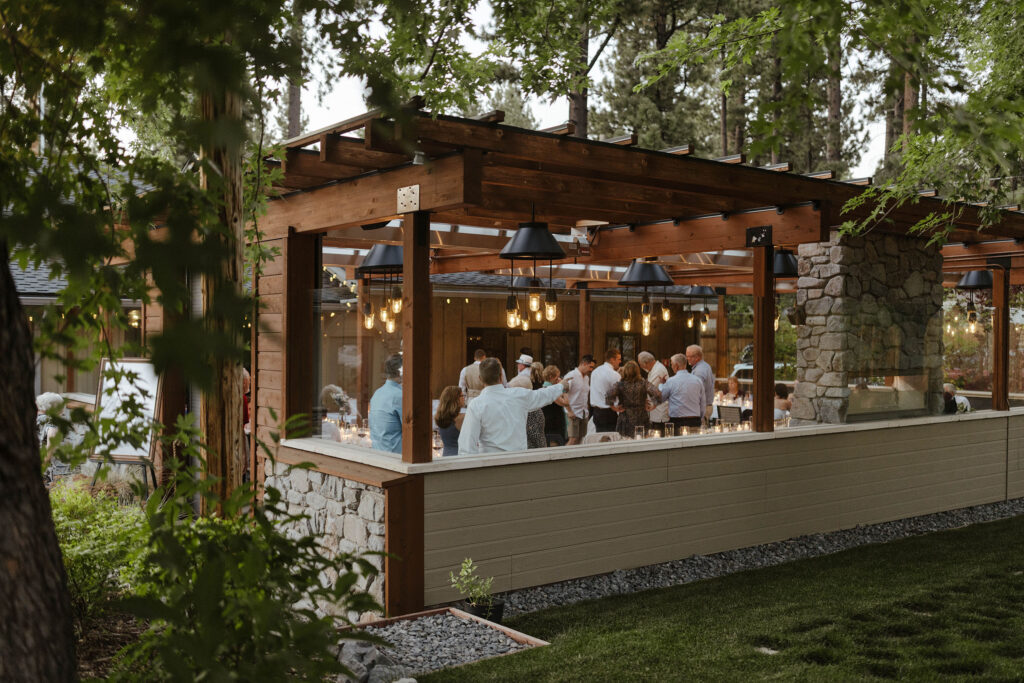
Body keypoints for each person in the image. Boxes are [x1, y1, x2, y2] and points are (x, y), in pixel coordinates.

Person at [458, 358, 568, 454]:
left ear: (480, 378)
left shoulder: (476, 405)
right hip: (518, 460)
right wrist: (560, 386)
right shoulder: (519, 395)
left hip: (490, 462)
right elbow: (543, 395)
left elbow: (467, 445)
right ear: (501, 376)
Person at [606, 360, 661, 438]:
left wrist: (615, 408)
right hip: (641, 417)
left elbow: (608, 395)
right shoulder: (643, 383)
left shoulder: (620, 384)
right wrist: (652, 407)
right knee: (641, 442)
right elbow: (657, 394)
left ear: (625, 371)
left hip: (625, 419)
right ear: (637, 371)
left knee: (625, 442)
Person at [659, 353, 707, 429]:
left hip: (677, 422)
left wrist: (661, 385)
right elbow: (703, 403)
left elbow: (661, 398)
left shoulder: (671, 381)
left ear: (676, 366)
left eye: (672, 365)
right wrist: (700, 416)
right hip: (695, 420)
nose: (671, 367)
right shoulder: (697, 380)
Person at [369, 354, 403, 453]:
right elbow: (412, 431)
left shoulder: (377, 393)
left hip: (378, 453)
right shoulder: (400, 396)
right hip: (395, 456)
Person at [564, 354, 596, 445]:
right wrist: (569, 411)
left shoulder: (586, 378)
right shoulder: (571, 375)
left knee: (581, 440)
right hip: (573, 412)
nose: (591, 370)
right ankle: (563, 454)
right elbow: (563, 393)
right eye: (590, 367)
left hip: (584, 413)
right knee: (573, 439)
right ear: (583, 364)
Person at [590, 348, 623, 432]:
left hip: (596, 412)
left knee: (600, 437)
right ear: (612, 360)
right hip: (609, 413)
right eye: (619, 359)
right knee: (611, 438)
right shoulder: (614, 375)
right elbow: (618, 394)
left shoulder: (595, 372)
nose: (620, 361)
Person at [638, 351, 669, 432]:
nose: (640, 367)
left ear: (646, 363)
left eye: (640, 364)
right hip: (654, 410)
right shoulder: (653, 369)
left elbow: (648, 388)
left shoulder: (658, 370)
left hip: (659, 412)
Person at [541, 364, 569, 446]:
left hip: (553, 424)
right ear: (551, 377)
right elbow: (565, 402)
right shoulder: (549, 389)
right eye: (557, 378)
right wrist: (563, 389)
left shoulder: (547, 388)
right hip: (553, 427)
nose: (558, 379)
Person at [685, 344, 716, 420]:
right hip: (705, 407)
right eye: (687, 356)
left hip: (701, 408)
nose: (687, 359)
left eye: (690, 356)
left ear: (697, 357)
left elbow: (695, 390)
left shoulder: (700, 370)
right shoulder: (704, 366)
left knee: (698, 427)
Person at [434, 386, 466, 456]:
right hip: (459, 455)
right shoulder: (462, 418)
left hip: (446, 454)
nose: (464, 398)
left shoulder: (440, 417)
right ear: (455, 399)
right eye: (462, 396)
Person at [526, 361, 547, 448]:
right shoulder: (544, 383)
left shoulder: (528, 382)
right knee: (541, 435)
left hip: (531, 409)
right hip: (542, 409)